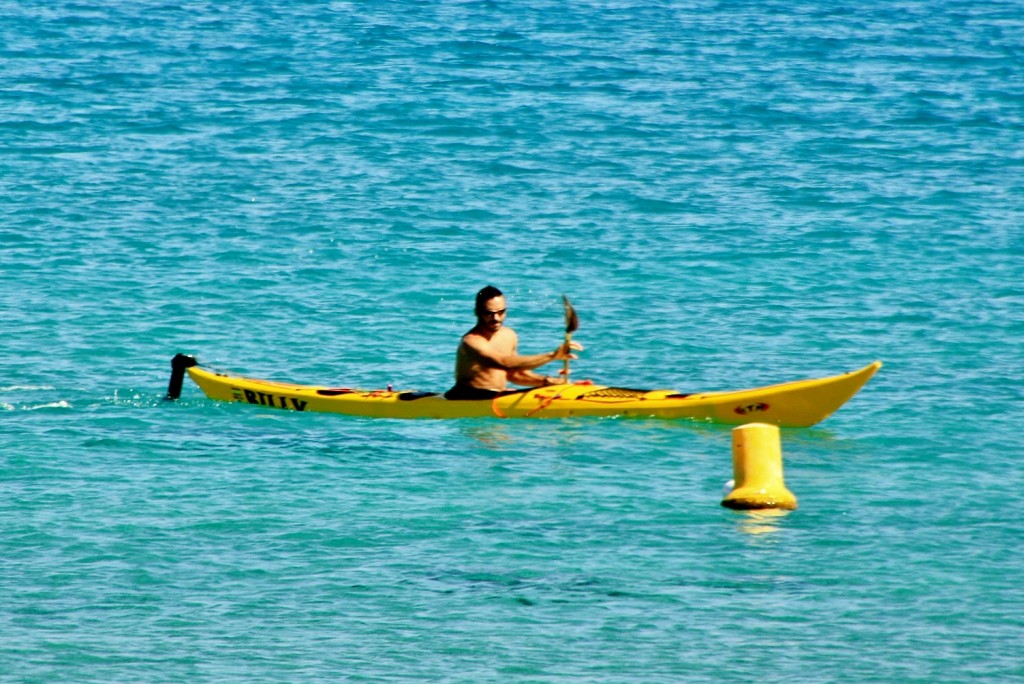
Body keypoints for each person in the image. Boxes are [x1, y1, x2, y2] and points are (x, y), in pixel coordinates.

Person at [445, 286, 584, 400]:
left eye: (501, 312)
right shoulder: (471, 341)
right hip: (467, 398)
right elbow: (504, 363)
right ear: (477, 312)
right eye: (489, 313)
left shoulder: (509, 335)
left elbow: (513, 374)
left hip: (496, 396)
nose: (496, 318)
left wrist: (547, 381)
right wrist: (553, 355)